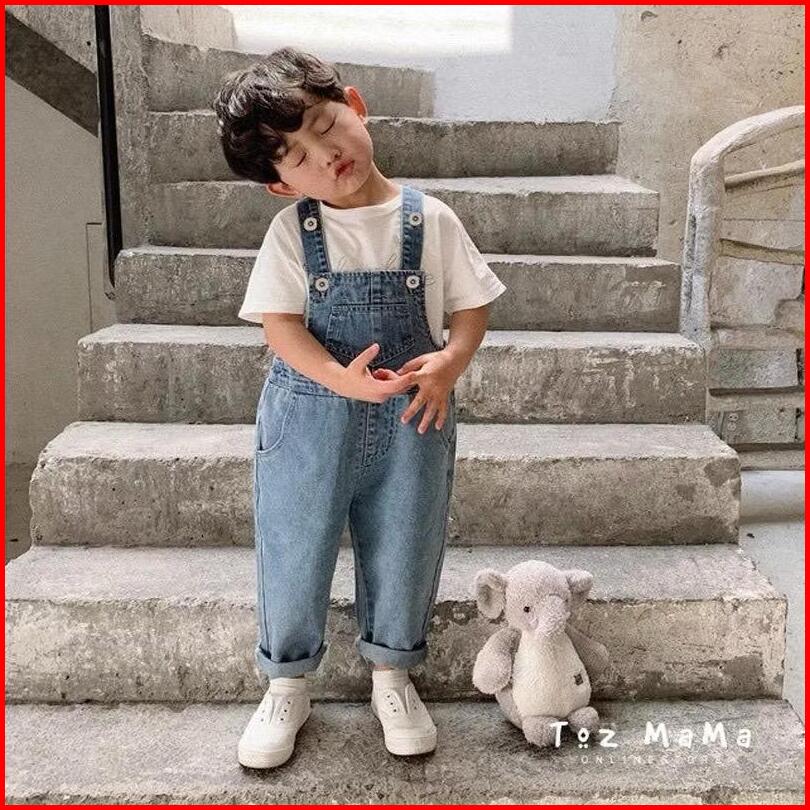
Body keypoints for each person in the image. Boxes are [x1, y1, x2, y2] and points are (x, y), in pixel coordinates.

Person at [213, 47, 506, 769]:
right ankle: (286, 684)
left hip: (412, 417)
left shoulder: (431, 219)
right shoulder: (293, 233)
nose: (324, 155)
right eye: (297, 157)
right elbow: (281, 325)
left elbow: (472, 304)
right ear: (281, 186)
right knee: (295, 543)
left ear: (355, 105)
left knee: (406, 539)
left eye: (324, 126)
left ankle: (392, 676)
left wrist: (451, 361)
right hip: (310, 419)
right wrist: (335, 379)